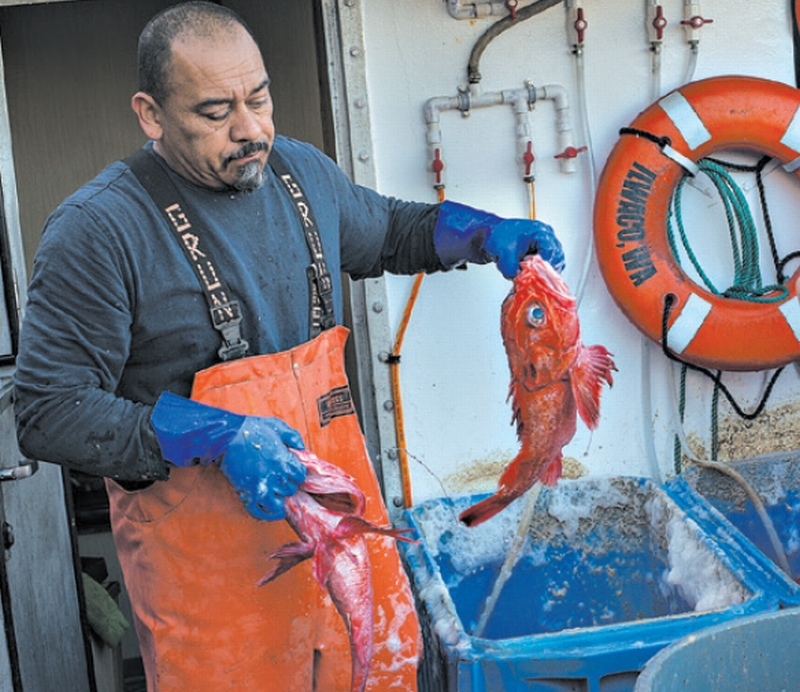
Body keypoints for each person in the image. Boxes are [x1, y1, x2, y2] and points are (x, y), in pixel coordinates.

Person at [13, 3, 564, 691]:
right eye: (216, 112)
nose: (251, 130)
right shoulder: (98, 231)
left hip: (346, 546)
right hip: (216, 592)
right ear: (151, 115)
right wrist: (214, 434)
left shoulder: (299, 173)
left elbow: (390, 230)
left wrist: (484, 234)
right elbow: (46, 410)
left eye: (260, 97)